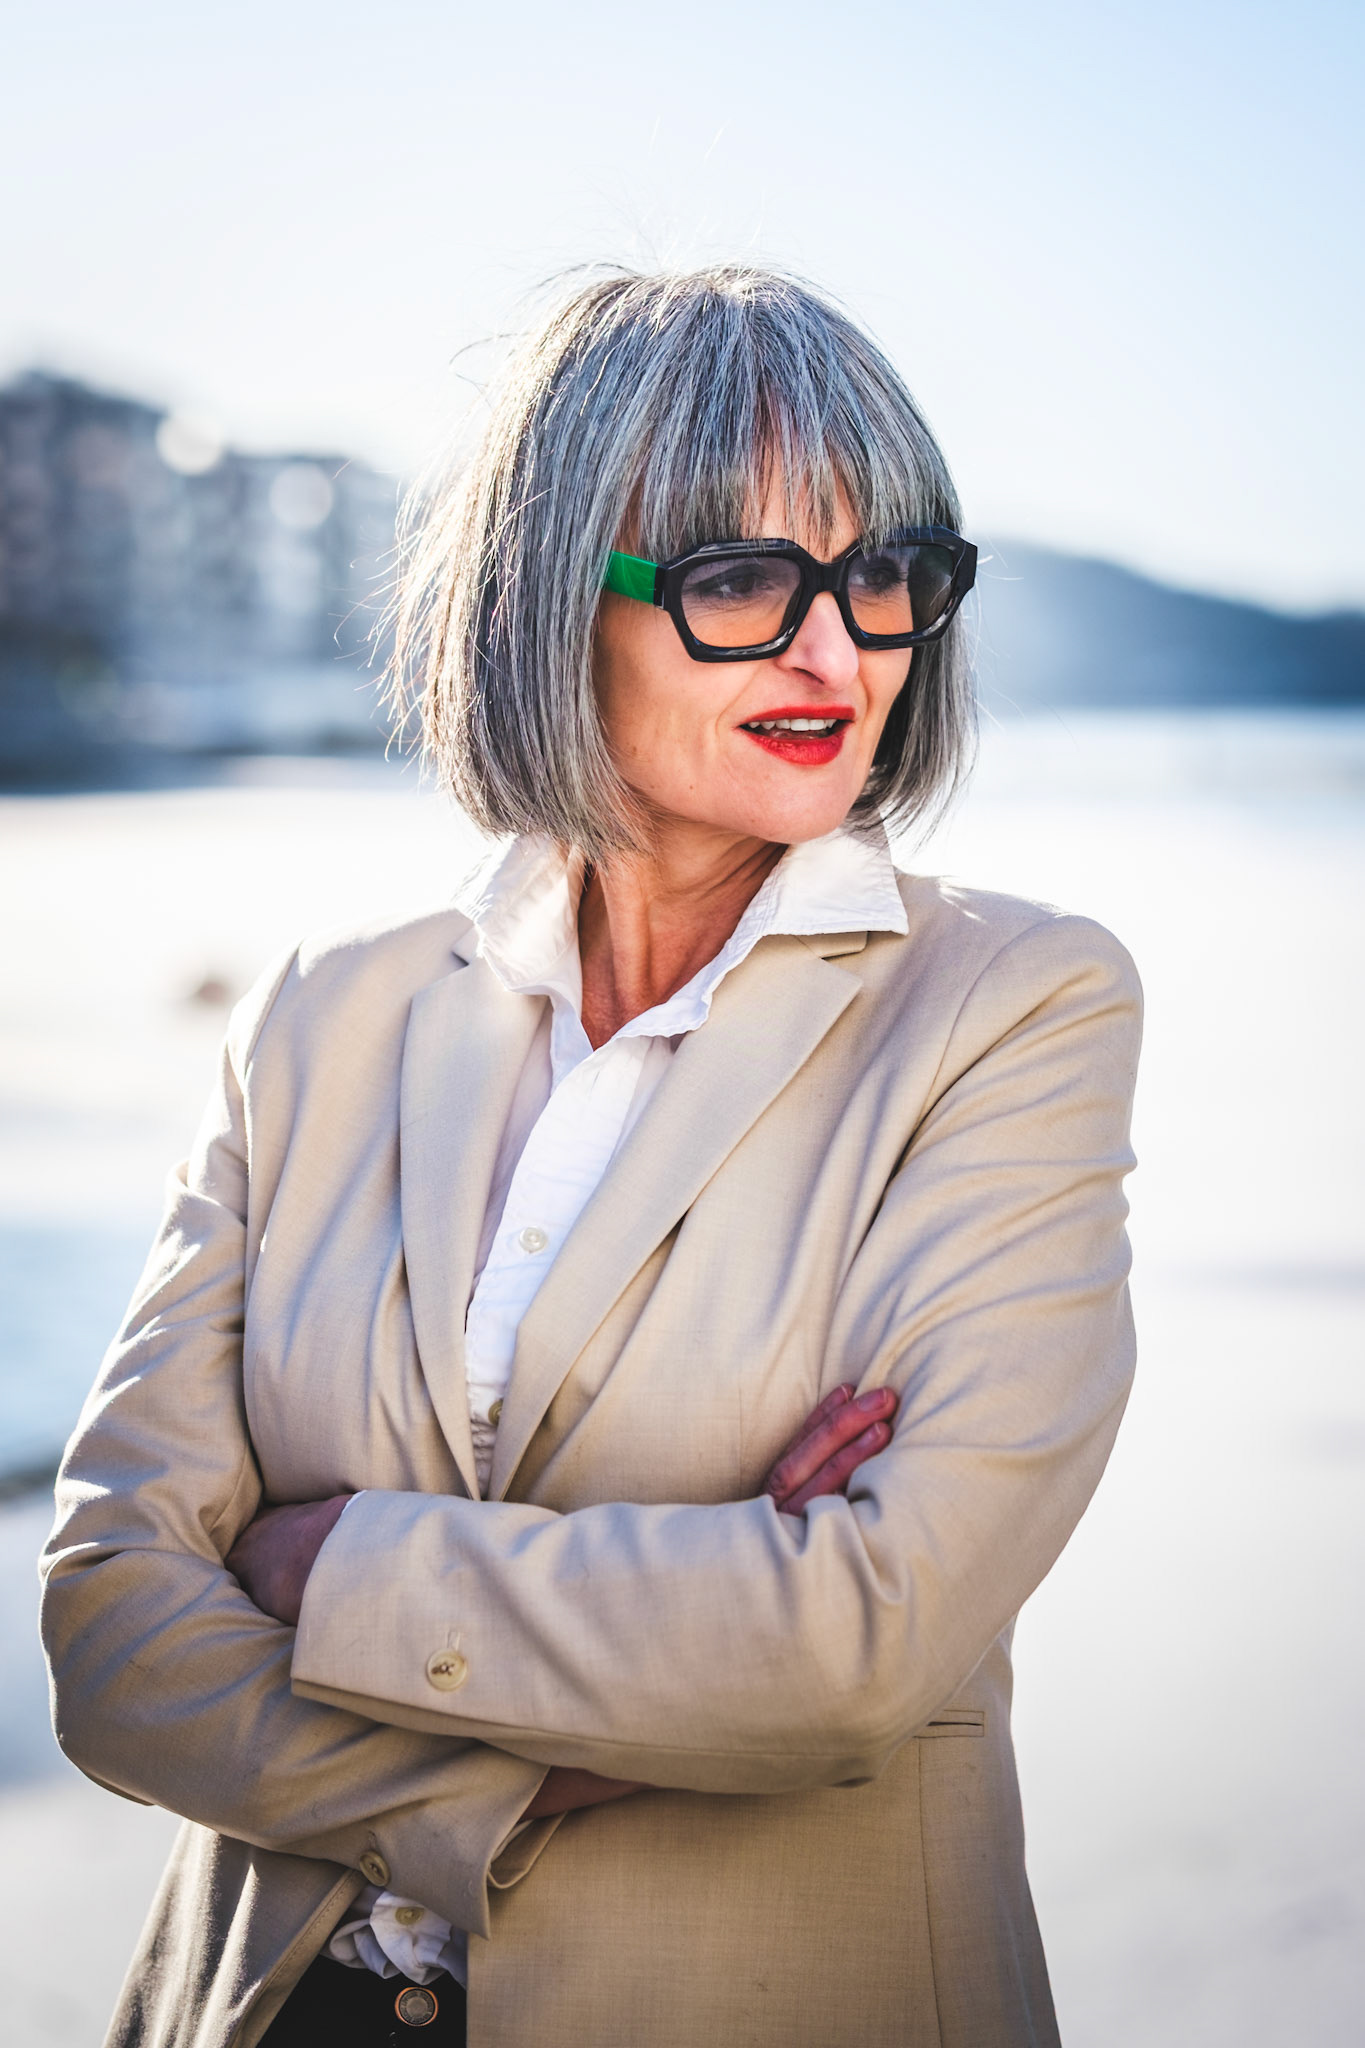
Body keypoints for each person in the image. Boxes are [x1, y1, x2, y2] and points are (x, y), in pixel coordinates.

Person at [41, 265, 1141, 2048]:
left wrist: (329, 1567)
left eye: (881, 576)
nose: (836, 655)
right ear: (554, 600)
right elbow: (112, 1641)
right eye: (738, 581)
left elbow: (849, 1651)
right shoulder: (322, 1012)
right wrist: (548, 1749)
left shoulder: (1011, 1008)